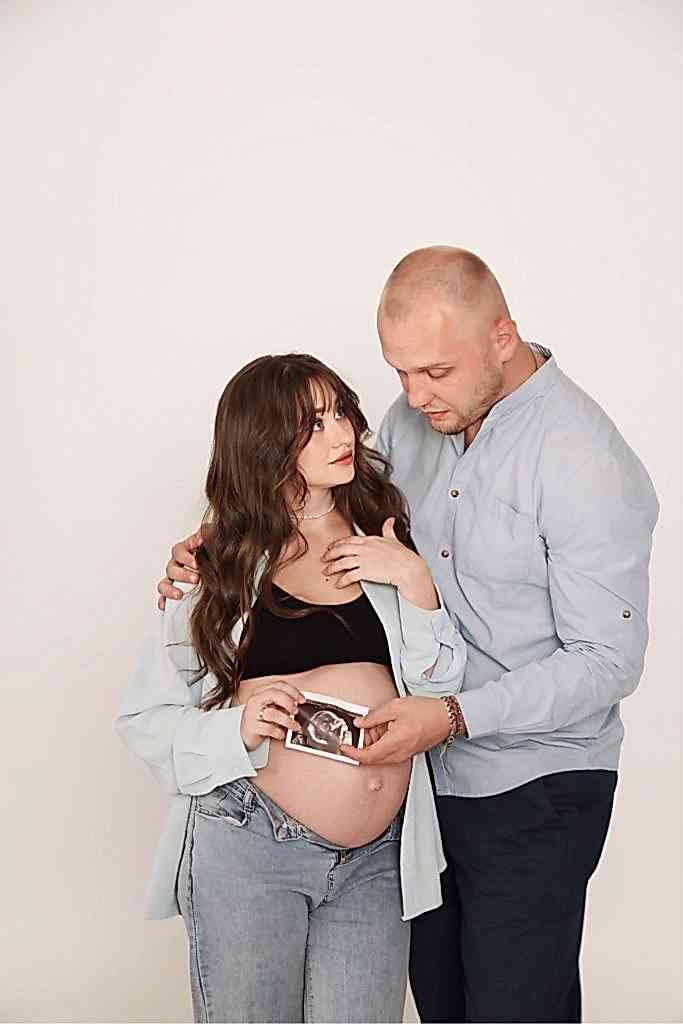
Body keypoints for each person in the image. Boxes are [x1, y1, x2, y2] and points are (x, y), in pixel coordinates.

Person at [160, 247, 659, 1023]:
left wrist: (453, 714)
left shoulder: (584, 461)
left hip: (534, 785)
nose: (414, 395)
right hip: (423, 789)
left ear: (501, 337)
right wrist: (220, 545)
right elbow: (320, 503)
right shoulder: (417, 419)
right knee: (441, 1005)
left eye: (435, 372)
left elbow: (606, 662)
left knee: (515, 1010)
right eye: (400, 372)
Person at [117, 352, 467, 1024]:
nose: (342, 435)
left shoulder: (385, 532)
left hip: (377, 861)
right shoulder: (218, 565)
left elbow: (439, 690)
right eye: (313, 424)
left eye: (341, 414)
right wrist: (236, 727)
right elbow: (145, 718)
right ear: (264, 441)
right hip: (252, 847)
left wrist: (414, 580)